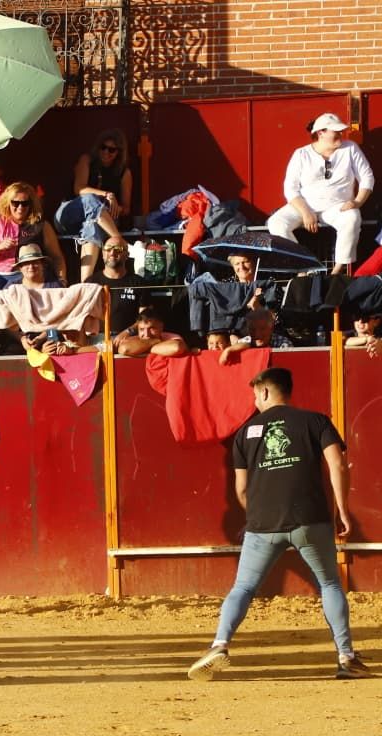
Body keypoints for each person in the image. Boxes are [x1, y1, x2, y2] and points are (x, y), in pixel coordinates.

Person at [189, 367, 370, 681]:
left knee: (244, 587)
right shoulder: (315, 421)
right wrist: (342, 509)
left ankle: (219, 644)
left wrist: (257, 515)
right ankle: (346, 658)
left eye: (254, 395)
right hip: (309, 518)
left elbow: (241, 490)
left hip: (263, 524)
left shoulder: (245, 432)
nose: (254, 401)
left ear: (264, 391)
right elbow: (337, 464)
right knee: (329, 584)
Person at [266, 113, 374, 275]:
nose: (340, 134)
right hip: (305, 206)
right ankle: (302, 269)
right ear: (320, 133)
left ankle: (337, 272)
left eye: (341, 131)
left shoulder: (350, 148)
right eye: (335, 131)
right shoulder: (301, 154)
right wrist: (305, 212)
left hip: (337, 206)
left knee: (352, 217)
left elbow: (367, 177)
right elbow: (290, 188)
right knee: (276, 222)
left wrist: (357, 202)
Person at [54, 130, 131, 280]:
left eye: (111, 150)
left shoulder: (124, 173)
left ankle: (85, 283)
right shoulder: (87, 160)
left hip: (100, 221)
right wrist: (106, 195)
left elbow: (126, 208)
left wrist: (111, 208)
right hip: (70, 215)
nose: (106, 152)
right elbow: (79, 189)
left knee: (93, 226)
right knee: (90, 198)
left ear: (119, 152)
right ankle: (118, 239)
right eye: (103, 147)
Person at [0, 183, 67, 296]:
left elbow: (57, 257)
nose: (20, 207)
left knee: (15, 298)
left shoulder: (41, 226)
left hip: (26, 273)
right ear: (8, 203)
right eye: (15, 203)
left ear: (31, 204)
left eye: (25, 203)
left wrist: (62, 280)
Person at [85, 236, 146, 332]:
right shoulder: (90, 282)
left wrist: (128, 332)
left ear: (127, 255)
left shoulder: (138, 282)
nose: (112, 253)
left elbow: (145, 318)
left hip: (128, 337)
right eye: (108, 249)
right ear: (102, 254)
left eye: (118, 249)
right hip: (97, 338)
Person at [114, 305, 188, 358]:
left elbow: (177, 347)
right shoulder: (135, 338)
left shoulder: (172, 337)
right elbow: (124, 349)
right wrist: (155, 342)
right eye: (142, 329)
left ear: (161, 327)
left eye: (151, 328)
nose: (146, 334)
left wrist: (143, 348)